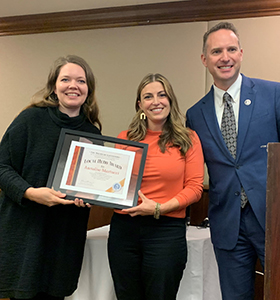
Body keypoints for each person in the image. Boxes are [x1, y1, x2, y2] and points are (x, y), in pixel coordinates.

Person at [186, 22, 280, 300]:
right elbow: (189, 168)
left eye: (231, 49)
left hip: (275, 219)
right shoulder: (195, 114)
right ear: (204, 59)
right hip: (227, 225)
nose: (225, 57)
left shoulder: (272, 94)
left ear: (241, 53)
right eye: (216, 51)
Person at [0, 55, 102, 300]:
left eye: (80, 80)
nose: (73, 86)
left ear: (88, 89)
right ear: (54, 87)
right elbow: (2, 167)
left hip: (64, 240)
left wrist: (88, 196)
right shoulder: (30, 120)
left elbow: (91, 183)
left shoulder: (92, 133)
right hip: (25, 234)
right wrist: (30, 193)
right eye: (65, 79)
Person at [107, 73, 204, 300]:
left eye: (162, 95)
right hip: (124, 229)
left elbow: (195, 187)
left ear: (170, 100)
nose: (156, 101)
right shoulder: (125, 139)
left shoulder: (188, 139)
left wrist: (159, 207)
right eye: (148, 97)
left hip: (165, 231)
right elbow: (112, 184)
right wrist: (86, 192)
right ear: (140, 105)